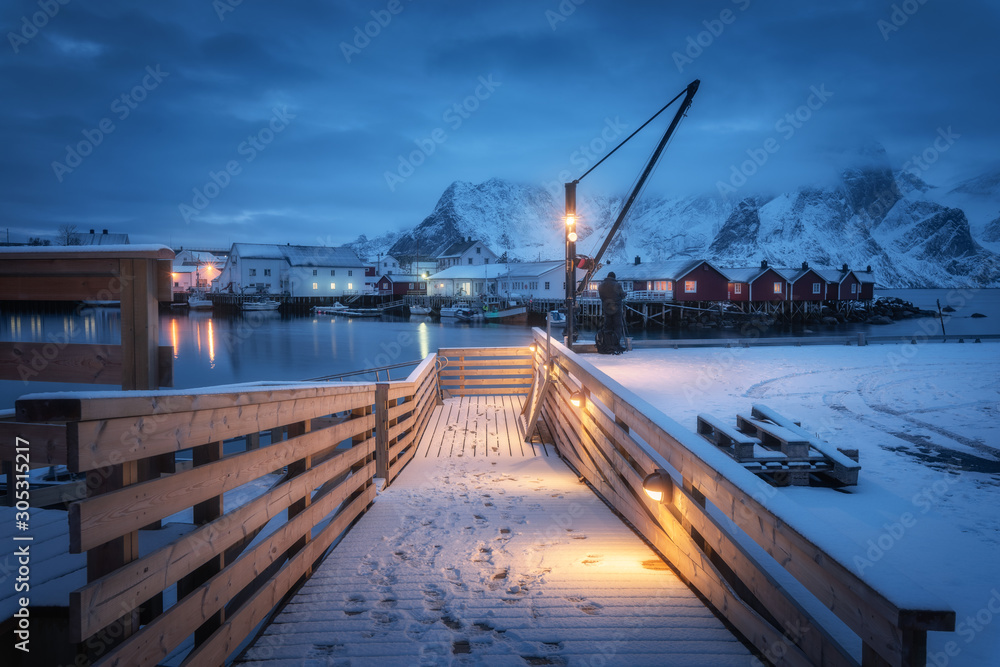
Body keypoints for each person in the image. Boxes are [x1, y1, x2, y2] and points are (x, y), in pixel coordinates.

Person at [597, 271, 626, 354]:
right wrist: (624, 294)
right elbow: (622, 295)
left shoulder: (601, 285)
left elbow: (601, 296)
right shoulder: (617, 285)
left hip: (606, 308)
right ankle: (616, 344)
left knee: (607, 325)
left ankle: (607, 343)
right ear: (614, 277)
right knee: (617, 326)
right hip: (616, 308)